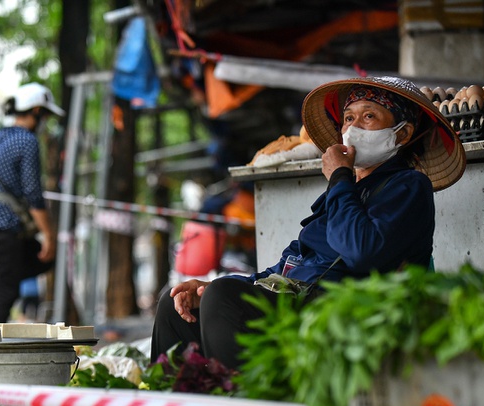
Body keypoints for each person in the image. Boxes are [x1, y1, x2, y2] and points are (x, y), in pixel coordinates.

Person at [150, 76, 466, 370]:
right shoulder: (346, 190)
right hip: (297, 297)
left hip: (340, 310)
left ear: (403, 133)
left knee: (223, 297)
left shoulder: (408, 186)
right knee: (176, 302)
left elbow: (361, 252)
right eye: (349, 118)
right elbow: (294, 262)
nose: (354, 127)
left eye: (369, 117)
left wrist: (341, 178)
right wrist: (220, 285)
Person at [0, 83, 64, 323]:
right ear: (36, 111)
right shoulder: (27, 141)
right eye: (45, 115)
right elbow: (33, 193)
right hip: (5, 225)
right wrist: (49, 235)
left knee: (38, 260)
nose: (45, 122)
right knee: (7, 294)